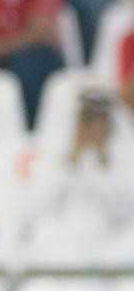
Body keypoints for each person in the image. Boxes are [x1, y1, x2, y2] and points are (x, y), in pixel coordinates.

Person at [27, 92, 134, 267]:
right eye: (87, 120)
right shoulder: (57, 156)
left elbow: (123, 210)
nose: (92, 127)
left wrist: (102, 161)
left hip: (112, 242)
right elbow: (39, 203)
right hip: (63, 244)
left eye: (99, 120)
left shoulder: (125, 154)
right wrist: (73, 158)